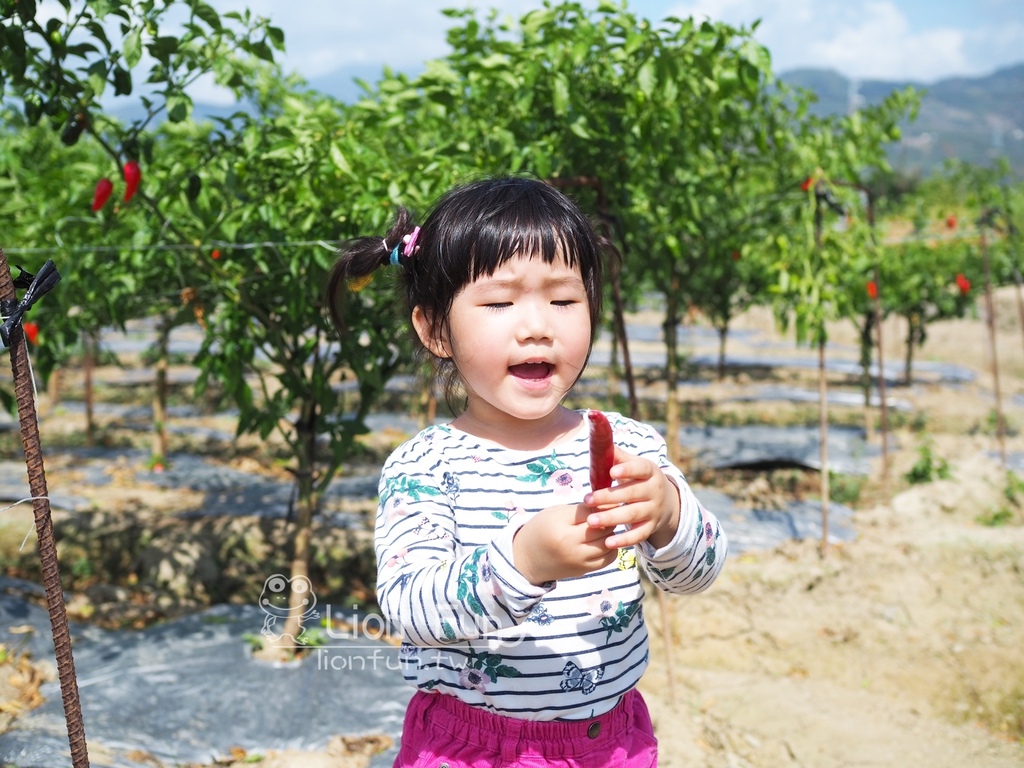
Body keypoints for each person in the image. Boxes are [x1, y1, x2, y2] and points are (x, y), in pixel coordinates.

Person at [326, 176, 726, 767]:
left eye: (563, 300)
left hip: (610, 744)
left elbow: (695, 576)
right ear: (436, 330)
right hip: (472, 747)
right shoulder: (426, 466)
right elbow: (410, 608)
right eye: (499, 302)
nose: (538, 325)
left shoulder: (623, 446)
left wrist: (667, 514)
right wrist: (524, 562)